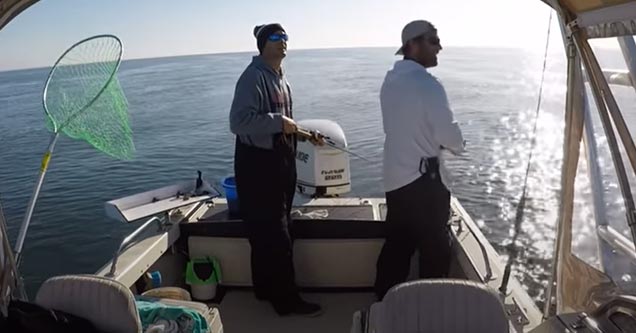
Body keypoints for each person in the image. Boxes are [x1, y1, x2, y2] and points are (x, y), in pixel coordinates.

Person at [229, 23, 322, 317]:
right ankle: (286, 301)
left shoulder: (282, 79)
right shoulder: (252, 77)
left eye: (284, 36)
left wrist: (305, 134)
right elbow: (239, 122)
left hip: (281, 162)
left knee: (268, 229)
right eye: (275, 36)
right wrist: (279, 123)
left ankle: (265, 289)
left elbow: (284, 122)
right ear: (262, 44)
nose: (283, 41)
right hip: (258, 166)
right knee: (276, 234)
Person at [374, 20, 466, 300]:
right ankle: (429, 311)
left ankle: (384, 307)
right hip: (425, 184)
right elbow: (451, 139)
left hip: (396, 180)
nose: (440, 46)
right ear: (412, 45)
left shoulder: (390, 81)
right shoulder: (428, 86)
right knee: (436, 250)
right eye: (433, 40)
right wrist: (459, 141)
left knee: (397, 247)